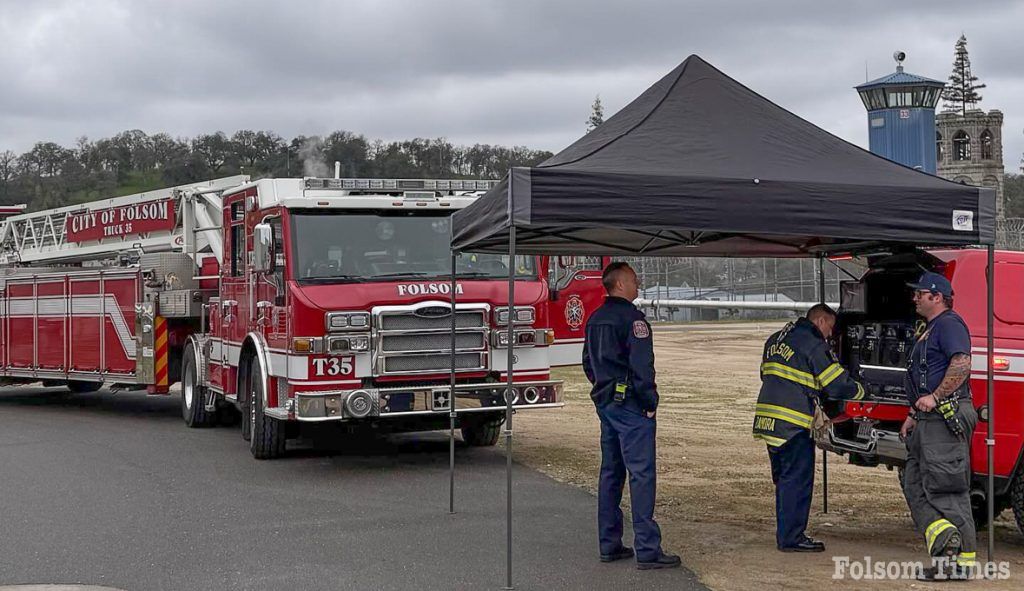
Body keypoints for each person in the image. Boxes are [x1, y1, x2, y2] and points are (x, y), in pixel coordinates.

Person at [582, 262, 681, 570]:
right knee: (641, 474)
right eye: (635, 281)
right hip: (631, 407)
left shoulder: (595, 319)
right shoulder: (634, 321)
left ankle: (609, 544)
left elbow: (588, 363)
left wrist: (604, 391)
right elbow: (642, 367)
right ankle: (648, 549)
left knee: (611, 473)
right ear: (621, 284)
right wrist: (650, 401)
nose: (638, 286)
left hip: (607, 405)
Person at [753, 304, 865, 552]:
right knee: (797, 480)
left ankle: (786, 534)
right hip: (793, 422)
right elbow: (835, 383)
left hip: (769, 419)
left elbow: (766, 374)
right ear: (821, 321)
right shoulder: (812, 342)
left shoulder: (776, 338)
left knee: (784, 480)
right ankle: (792, 539)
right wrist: (862, 390)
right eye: (830, 329)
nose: (830, 336)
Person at [900, 272, 977, 580]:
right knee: (915, 484)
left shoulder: (949, 325)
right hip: (928, 420)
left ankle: (959, 565)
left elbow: (961, 362)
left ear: (937, 297)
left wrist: (934, 396)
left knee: (947, 489)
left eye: (919, 293)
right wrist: (913, 413)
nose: (914, 298)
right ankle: (946, 544)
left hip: (945, 417)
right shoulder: (931, 328)